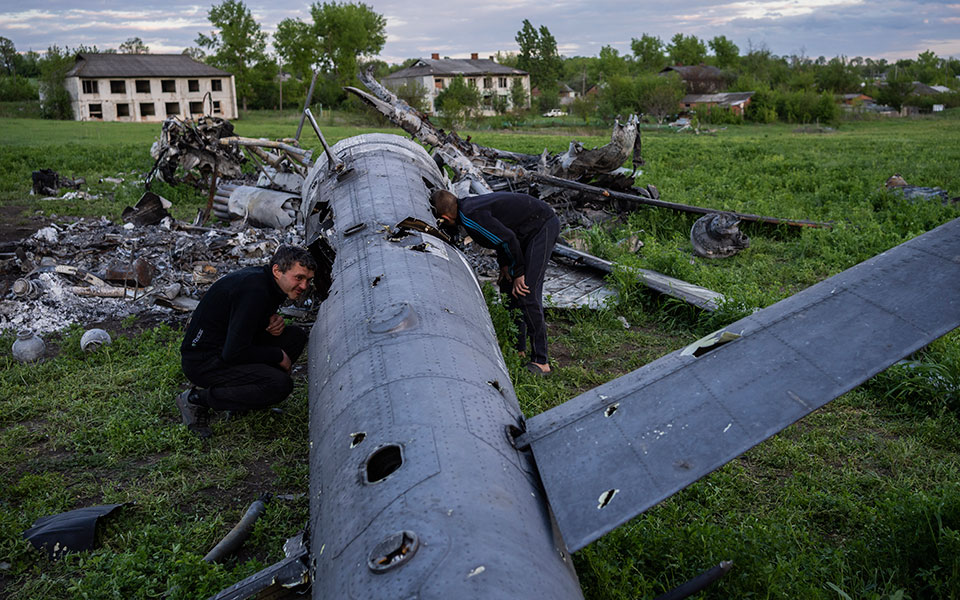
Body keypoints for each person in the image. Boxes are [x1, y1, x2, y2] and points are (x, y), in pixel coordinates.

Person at [176, 245, 317, 438]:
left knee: (295, 337)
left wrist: (269, 320)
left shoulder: (265, 282)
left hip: (226, 346)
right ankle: (196, 400)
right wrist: (277, 355)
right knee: (279, 384)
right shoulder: (254, 290)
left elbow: (241, 321)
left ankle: (243, 401)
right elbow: (234, 352)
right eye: (298, 278)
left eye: (308, 280)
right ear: (277, 270)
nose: (304, 286)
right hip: (203, 360)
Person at [430, 190, 559, 375]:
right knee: (507, 286)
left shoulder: (470, 218)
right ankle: (519, 349)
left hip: (541, 226)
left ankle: (541, 361)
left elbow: (507, 239)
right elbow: (500, 235)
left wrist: (520, 273)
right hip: (523, 230)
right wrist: (506, 266)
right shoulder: (468, 206)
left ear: (444, 217)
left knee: (526, 291)